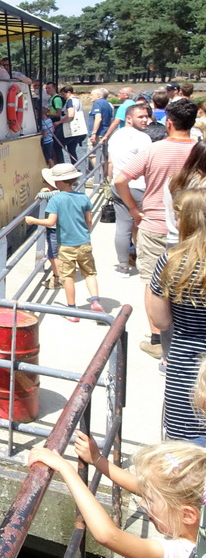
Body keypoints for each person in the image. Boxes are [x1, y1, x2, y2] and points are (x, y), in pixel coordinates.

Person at [28, 433, 206, 557]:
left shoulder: (183, 551)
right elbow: (142, 486)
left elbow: (108, 535)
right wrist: (97, 459)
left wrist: (65, 469)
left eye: (150, 500)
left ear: (188, 515)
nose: (143, 503)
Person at [115, 98, 200, 359]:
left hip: (154, 223)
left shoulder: (152, 150)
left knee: (154, 281)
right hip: (194, 227)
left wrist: (132, 209)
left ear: (169, 123)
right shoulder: (200, 150)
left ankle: (157, 338)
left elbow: (120, 179)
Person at [147, 188, 206, 443]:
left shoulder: (172, 261)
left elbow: (161, 321)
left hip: (187, 362)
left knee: (185, 444)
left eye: (179, 216)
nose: (177, 222)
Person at [24, 163, 101, 321]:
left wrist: (33, 220)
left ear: (57, 183)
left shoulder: (56, 200)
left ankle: (72, 310)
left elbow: (51, 221)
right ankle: (95, 301)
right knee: (90, 273)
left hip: (66, 245)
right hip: (84, 242)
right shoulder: (83, 197)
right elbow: (89, 221)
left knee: (68, 277)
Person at [108, 103, 152, 274]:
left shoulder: (115, 136)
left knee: (122, 226)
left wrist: (110, 179)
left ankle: (123, 265)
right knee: (141, 226)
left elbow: (110, 162)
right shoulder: (143, 139)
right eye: (140, 117)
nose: (145, 120)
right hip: (138, 187)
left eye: (147, 116)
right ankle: (143, 262)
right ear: (128, 118)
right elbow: (147, 166)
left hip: (118, 186)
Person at [55, 85, 86, 165]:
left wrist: (59, 122)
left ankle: (61, 165)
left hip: (69, 129)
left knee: (57, 146)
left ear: (68, 92)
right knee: (72, 149)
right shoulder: (78, 100)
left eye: (63, 95)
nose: (63, 97)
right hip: (77, 130)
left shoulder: (70, 101)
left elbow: (70, 115)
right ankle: (75, 166)